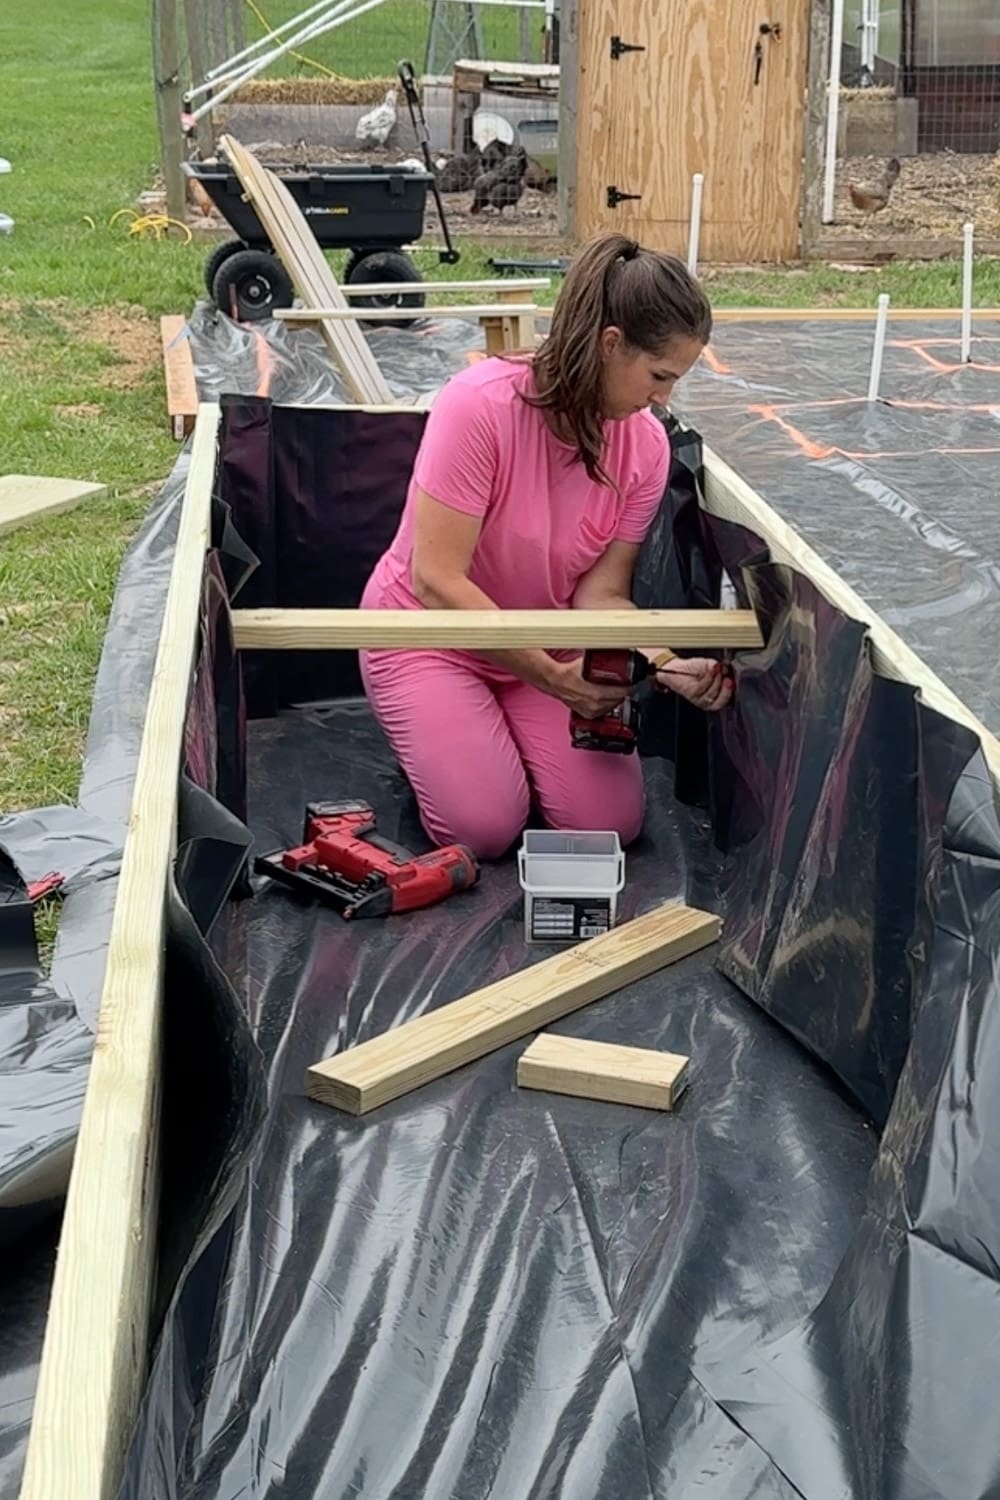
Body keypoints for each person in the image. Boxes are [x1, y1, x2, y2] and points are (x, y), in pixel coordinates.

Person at [359, 232, 733, 860]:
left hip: (543, 642)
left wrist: (666, 664)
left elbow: (601, 594)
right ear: (612, 345)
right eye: (660, 375)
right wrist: (557, 680)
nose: (664, 397)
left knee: (608, 825)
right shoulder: (477, 409)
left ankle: (488, 739)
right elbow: (438, 580)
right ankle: (441, 729)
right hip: (430, 638)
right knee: (483, 828)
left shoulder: (643, 446)